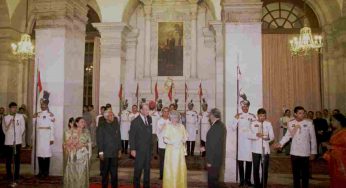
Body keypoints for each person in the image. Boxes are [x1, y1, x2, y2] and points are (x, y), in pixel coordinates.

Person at [274, 106, 317, 188]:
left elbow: (313, 138)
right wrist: (280, 143)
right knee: (296, 174)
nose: (302, 115)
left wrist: (313, 152)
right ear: (295, 114)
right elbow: (287, 136)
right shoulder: (290, 123)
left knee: (305, 174)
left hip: (305, 152)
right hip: (294, 152)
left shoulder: (309, 123)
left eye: (303, 113)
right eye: (300, 113)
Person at [231, 100, 256, 186]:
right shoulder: (239, 116)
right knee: (241, 161)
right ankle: (242, 180)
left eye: (246, 106)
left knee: (249, 161)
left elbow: (255, 129)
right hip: (241, 142)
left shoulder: (252, 116)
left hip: (249, 142)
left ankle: (248, 180)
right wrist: (235, 119)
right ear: (241, 107)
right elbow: (233, 127)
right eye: (243, 106)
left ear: (248, 107)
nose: (245, 108)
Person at [248, 108, 274, 188]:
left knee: (264, 169)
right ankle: (257, 185)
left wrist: (268, 138)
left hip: (265, 150)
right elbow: (249, 135)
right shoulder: (253, 123)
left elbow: (272, 136)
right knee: (255, 169)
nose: (262, 117)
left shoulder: (268, 124)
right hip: (255, 150)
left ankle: (263, 185)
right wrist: (256, 135)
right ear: (257, 115)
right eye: (260, 116)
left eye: (264, 116)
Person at [201, 108, 226, 188]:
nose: (209, 117)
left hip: (213, 159)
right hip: (216, 158)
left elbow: (213, 146)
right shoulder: (220, 125)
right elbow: (214, 142)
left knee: (212, 182)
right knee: (214, 180)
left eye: (210, 115)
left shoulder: (216, 127)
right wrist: (205, 148)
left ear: (212, 115)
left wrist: (209, 161)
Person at [63, 117, 91, 188]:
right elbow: (65, 144)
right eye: (82, 122)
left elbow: (90, 143)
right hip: (73, 155)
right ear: (77, 123)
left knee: (81, 173)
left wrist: (83, 145)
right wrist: (72, 146)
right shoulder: (71, 132)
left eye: (84, 122)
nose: (83, 123)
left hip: (83, 155)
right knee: (73, 172)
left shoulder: (87, 131)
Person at [129, 103, 152, 188]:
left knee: (147, 170)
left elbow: (149, 134)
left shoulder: (149, 119)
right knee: (138, 171)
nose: (147, 111)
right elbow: (131, 135)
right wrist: (132, 149)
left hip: (148, 150)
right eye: (145, 109)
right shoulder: (135, 121)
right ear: (141, 110)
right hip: (139, 150)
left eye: (148, 109)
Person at [162, 110, 188, 188]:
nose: (175, 119)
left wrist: (183, 140)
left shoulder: (182, 126)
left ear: (178, 118)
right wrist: (173, 142)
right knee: (171, 169)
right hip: (171, 152)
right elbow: (165, 139)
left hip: (179, 151)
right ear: (170, 118)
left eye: (176, 118)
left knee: (180, 168)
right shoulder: (168, 126)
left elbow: (186, 136)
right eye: (173, 118)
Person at [97, 109, 122, 188]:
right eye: (111, 115)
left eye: (113, 115)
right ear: (107, 117)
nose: (113, 117)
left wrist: (119, 149)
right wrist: (100, 152)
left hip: (114, 152)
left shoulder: (116, 124)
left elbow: (118, 137)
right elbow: (99, 140)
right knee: (105, 173)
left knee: (114, 172)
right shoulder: (102, 126)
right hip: (106, 153)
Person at [32, 94, 55, 179]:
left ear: (47, 105)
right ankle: (40, 171)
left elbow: (52, 127)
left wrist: (52, 138)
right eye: (41, 105)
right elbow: (34, 123)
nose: (43, 106)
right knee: (40, 154)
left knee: (46, 155)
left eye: (44, 105)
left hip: (47, 136)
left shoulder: (50, 115)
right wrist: (34, 117)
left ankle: (46, 172)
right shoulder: (38, 114)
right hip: (40, 137)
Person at [2, 102, 25, 181]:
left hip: (17, 141)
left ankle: (16, 175)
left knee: (17, 160)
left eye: (15, 107)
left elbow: (23, 128)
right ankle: (9, 175)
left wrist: (17, 136)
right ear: (10, 108)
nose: (14, 109)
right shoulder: (6, 117)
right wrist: (10, 136)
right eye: (13, 107)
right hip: (8, 141)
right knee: (8, 160)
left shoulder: (20, 116)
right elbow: (4, 130)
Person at [323, 113, 346, 187]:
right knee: (334, 178)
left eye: (333, 120)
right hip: (333, 160)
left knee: (341, 179)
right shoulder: (334, 131)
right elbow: (334, 144)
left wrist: (332, 147)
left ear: (339, 121)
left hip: (342, 161)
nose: (331, 122)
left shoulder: (344, 132)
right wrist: (328, 145)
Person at [156, 107, 170, 180]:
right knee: (162, 161)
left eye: (167, 111)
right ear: (162, 112)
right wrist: (163, 126)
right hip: (162, 144)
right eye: (164, 111)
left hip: (169, 145)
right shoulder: (159, 121)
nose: (166, 113)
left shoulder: (171, 121)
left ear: (169, 113)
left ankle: (168, 175)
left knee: (169, 161)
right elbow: (158, 132)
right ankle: (161, 175)